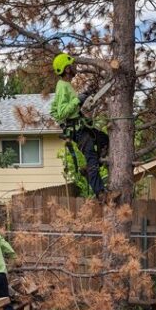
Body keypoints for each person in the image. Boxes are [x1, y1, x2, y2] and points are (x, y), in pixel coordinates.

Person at [50, 52, 109, 200]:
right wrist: (78, 100)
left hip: (81, 125)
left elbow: (54, 110)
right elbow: (62, 112)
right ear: (67, 69)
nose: (75, 67)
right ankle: (101, 193)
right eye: (72, 65)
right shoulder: (62, 86)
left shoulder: (65, 86)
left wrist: (83, 96)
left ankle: (92, 167)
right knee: (91, 158)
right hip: (77, 131)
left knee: (104, 140)